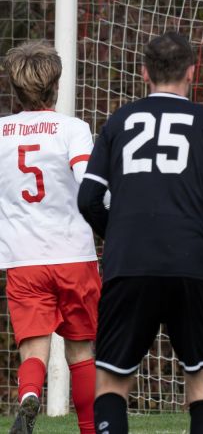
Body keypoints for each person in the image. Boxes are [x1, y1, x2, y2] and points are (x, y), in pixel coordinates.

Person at [77, 32, 203, 434]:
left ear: (144, 73)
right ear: (192, 72)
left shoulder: (119, 121)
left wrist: (120, 234)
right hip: (191, 265)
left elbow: (88, 198)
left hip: (129, 263)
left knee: (111, 381)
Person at [0, 40, 99, 434]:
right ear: (55, 87)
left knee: (33, 346)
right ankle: (91, 430)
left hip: (23, 258)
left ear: (15, 88)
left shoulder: (1, 133)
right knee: (80, 351)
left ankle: (28, 396)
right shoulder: (74, 130)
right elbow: (88, 186)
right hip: (74, 255)